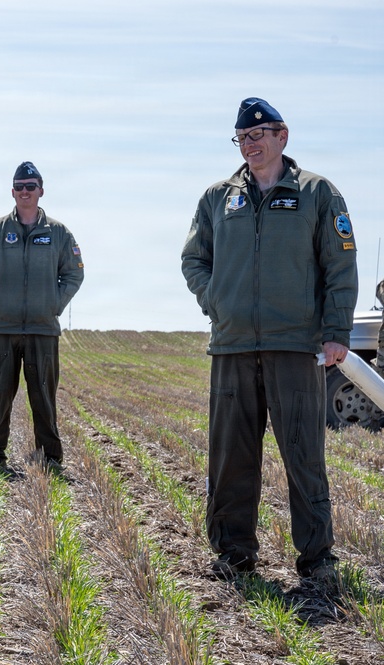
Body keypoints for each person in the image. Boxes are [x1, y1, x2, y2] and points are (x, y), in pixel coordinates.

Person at [181, 98, 358, 586]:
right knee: (231, 456)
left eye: (260, 134)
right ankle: (234, 553)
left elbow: (340, 266)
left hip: (295, 345)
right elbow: (194, 259)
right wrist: (217, 300)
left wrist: (338, 331)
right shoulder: (218, 199)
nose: (251, 143)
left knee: (303, 455)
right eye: (243, 137)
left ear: (282, 136)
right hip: (232, 346)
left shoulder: (318, 194)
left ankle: (318, 560)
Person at [0, 162, 84, 471]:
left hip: (43, 329)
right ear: (12, 192)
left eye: (30, 187)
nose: (24, 192)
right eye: (19, 187)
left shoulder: (58, 233)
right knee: (0, 395)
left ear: (41, 191)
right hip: (3, 328)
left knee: (43, 396)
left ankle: (49, 457)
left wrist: (53, 305)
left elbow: (73, 274)